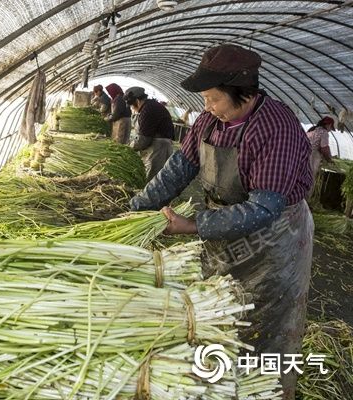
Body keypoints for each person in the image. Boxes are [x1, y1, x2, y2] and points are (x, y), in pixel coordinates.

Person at [129, 44, 313, 399]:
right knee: (220, 314)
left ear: (243, 92)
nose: (207, 107)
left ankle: (267, 391)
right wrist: (136, 209)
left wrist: (192, 224)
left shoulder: (276, 127)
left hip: (275, 240)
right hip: (224, 231)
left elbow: (264, 209)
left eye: (213, 98)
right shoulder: (209, 122)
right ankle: (219, 387)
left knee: (266, 322)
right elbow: (177, 170)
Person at [124, 86, 175, 181]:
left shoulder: (148, 110)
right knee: (153, 176)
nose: (132, 107)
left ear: (138, 101)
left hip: (159, 147)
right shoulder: (149, 106)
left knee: (152, 178)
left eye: (132, 105)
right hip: (156, 145)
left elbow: (143, 139)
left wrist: (129, 148)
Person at [306, 116, 334, 191]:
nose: (330, 130)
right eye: (331, 128)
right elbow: (324, 148)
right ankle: (306, 197)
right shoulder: (324, 132)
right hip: (313, 156)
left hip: (304, 153)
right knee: (310, 177)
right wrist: (329, 159)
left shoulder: (313, 129)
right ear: (329, 125)